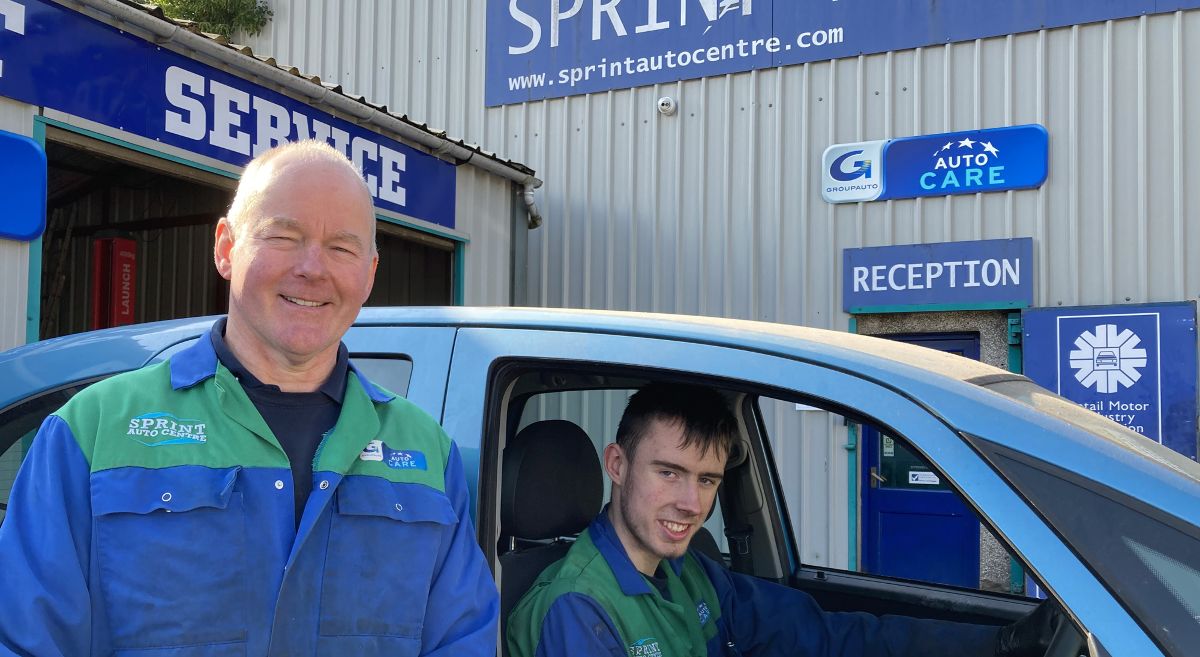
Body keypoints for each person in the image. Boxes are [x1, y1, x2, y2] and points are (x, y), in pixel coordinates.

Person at [0, 140, 497, 656]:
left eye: (342, 247)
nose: (313, 268)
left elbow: (461, 641)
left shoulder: (427, 454)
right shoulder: (92, 432)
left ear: (369, 272)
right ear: (225, 248)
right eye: (283, 235)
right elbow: (24, 642)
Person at [507, 383, 1059, 657]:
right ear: (617, 465)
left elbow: (825, 633)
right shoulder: (578, 608)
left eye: (706, 480)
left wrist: (1000, 645)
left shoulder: (688, 569)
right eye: (669, 473)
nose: (691, 505)